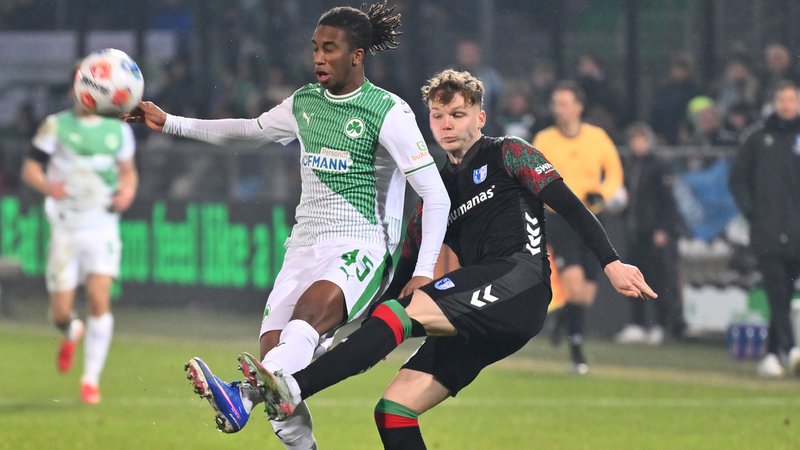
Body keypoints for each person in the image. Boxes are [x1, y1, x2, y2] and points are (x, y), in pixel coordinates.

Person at [235, 69, 655, 449]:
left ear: (480, 118)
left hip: (519, 284)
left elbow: (572, 206)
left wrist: (611, 262)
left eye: (457, 114)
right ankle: (287, 388)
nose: (447, 124)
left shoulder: (509, 152)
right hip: (481, 315)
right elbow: (404, 266)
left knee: (400, 315)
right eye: (438, 116)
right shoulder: (436, 190)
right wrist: (364, 330)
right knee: (394, 411)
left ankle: (291, 389)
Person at [127, 2, 450, 447]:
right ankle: (279, 423)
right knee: (277, 373)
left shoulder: (388, 111)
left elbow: (436, 195)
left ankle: (239, 395)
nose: (318, 57)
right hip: (302, 248)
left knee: (304, 324)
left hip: (361, 247)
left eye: (330, 49)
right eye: (315, 48)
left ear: (357, 55)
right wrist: (170, 122)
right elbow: (249, 130)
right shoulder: (305, 103)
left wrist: (424, 271)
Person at [20, 66, 139, 405]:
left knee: (100, 300)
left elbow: (128, 174)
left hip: (102, 225)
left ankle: (90, 380)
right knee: (60, 313)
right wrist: (48, 186)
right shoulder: (56, 125)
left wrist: (126, 193)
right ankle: (71, 331)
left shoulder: (118, 131)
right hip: (66, 227)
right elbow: (30, 168)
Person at [532, 80, 625, 374]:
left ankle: (564, 320)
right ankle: (577, 352)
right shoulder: (545, 139)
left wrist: (603, 193)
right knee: (572, 285)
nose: (558, 109)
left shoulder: (597, 138)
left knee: (585, 294)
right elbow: (531, 174)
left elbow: (614, 172)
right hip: (560, 220)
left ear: (578, 107)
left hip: (592, 219)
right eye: (555, 103)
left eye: (564, 103)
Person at [729, 80, 800, 378]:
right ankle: (792, 348)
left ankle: (772, 353)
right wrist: (753, 213)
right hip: (766, 231)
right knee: (776, 290)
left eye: (792, 100)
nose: (787, 105)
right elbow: (738, 179)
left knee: (786, 293)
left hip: (796, 233)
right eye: (782, 100)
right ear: (773, 103)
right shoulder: (757, 138)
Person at [614, 122, 684, 345]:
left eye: (641, 139)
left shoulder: (659, 167)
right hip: (634, 233)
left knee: (658, 279)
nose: (637, 144)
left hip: (653, 234)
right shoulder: (629, 166)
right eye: (634, 140)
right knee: (633, 279)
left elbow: (668, 202)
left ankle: (661, 324)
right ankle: (638, 324)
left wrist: (664, 229)